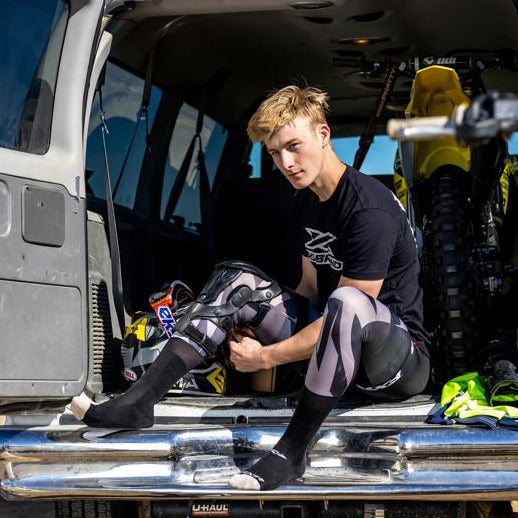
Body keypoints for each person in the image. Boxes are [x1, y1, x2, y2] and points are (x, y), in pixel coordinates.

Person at [71, 85, 430, 492]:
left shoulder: (368, 208)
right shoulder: (306, 199)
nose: (286, 163)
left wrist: (264, 357)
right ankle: (139, 402)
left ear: (324, 135)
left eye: (294, 146)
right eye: (275, 153)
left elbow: (345, 313)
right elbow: (310, 290)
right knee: (237, 281)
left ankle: (291, 453)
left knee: (347, 302)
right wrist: (247, 313)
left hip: (396, 362)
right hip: (336, 346)